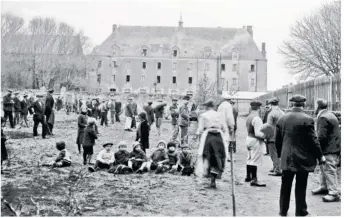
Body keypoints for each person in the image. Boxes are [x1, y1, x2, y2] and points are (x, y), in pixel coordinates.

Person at [275, 95, 325, 216]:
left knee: (285, 185)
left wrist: (281, 154)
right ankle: (300, 211)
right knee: (301, 185)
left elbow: (278, 140)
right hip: (302, 158)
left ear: (291, 104)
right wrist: (320, 156)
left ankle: (283, 210)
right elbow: (313, 140)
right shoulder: (307, 119)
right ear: (303, 104)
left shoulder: (282, 119)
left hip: (287, 158)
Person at [311, 99, 341, 202]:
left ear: (317, 106)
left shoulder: (323, 117)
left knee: (329, 169)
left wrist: (316, 149)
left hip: (328, 149)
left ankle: (334, 193)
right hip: (333, 147)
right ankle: (324, 186)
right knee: (323, 168)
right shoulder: (329, 114)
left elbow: (321, 137)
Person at [194, 100, 228, 188]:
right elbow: (224, 128)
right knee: (217, 156)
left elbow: (200, 129)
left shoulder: (203, 115)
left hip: (208, 136)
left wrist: (197, 135)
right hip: (218, 136)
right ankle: (213, 177)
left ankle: (208, 174)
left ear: (207, 107)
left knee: (207, 155)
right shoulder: (219, 115)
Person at [244, 100, 267, 187]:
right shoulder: (257, 118)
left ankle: (248, 176)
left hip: (248, 138)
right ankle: (254, 179)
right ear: (259, 108)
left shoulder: (249, 116)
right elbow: (258, 133)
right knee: (255, 159)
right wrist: (265, 135)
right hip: (254, 140)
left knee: (249, 157)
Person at [266, 98, 285, 176]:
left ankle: (277, 170)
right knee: (279, 153)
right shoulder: (282, 113)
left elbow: (268, 127)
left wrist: (266, 137)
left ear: (270, 104)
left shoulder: (271, 114)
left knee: (273, 153)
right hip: (281, 136)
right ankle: (275, 167)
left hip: (272, 137)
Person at [217, 93, 235, 162]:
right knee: (226, 142)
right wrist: (232, 126)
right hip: (225, 126)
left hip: (219, 126)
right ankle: (225, 156)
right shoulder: (228, 106)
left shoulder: (220, 106)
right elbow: (229, 117)